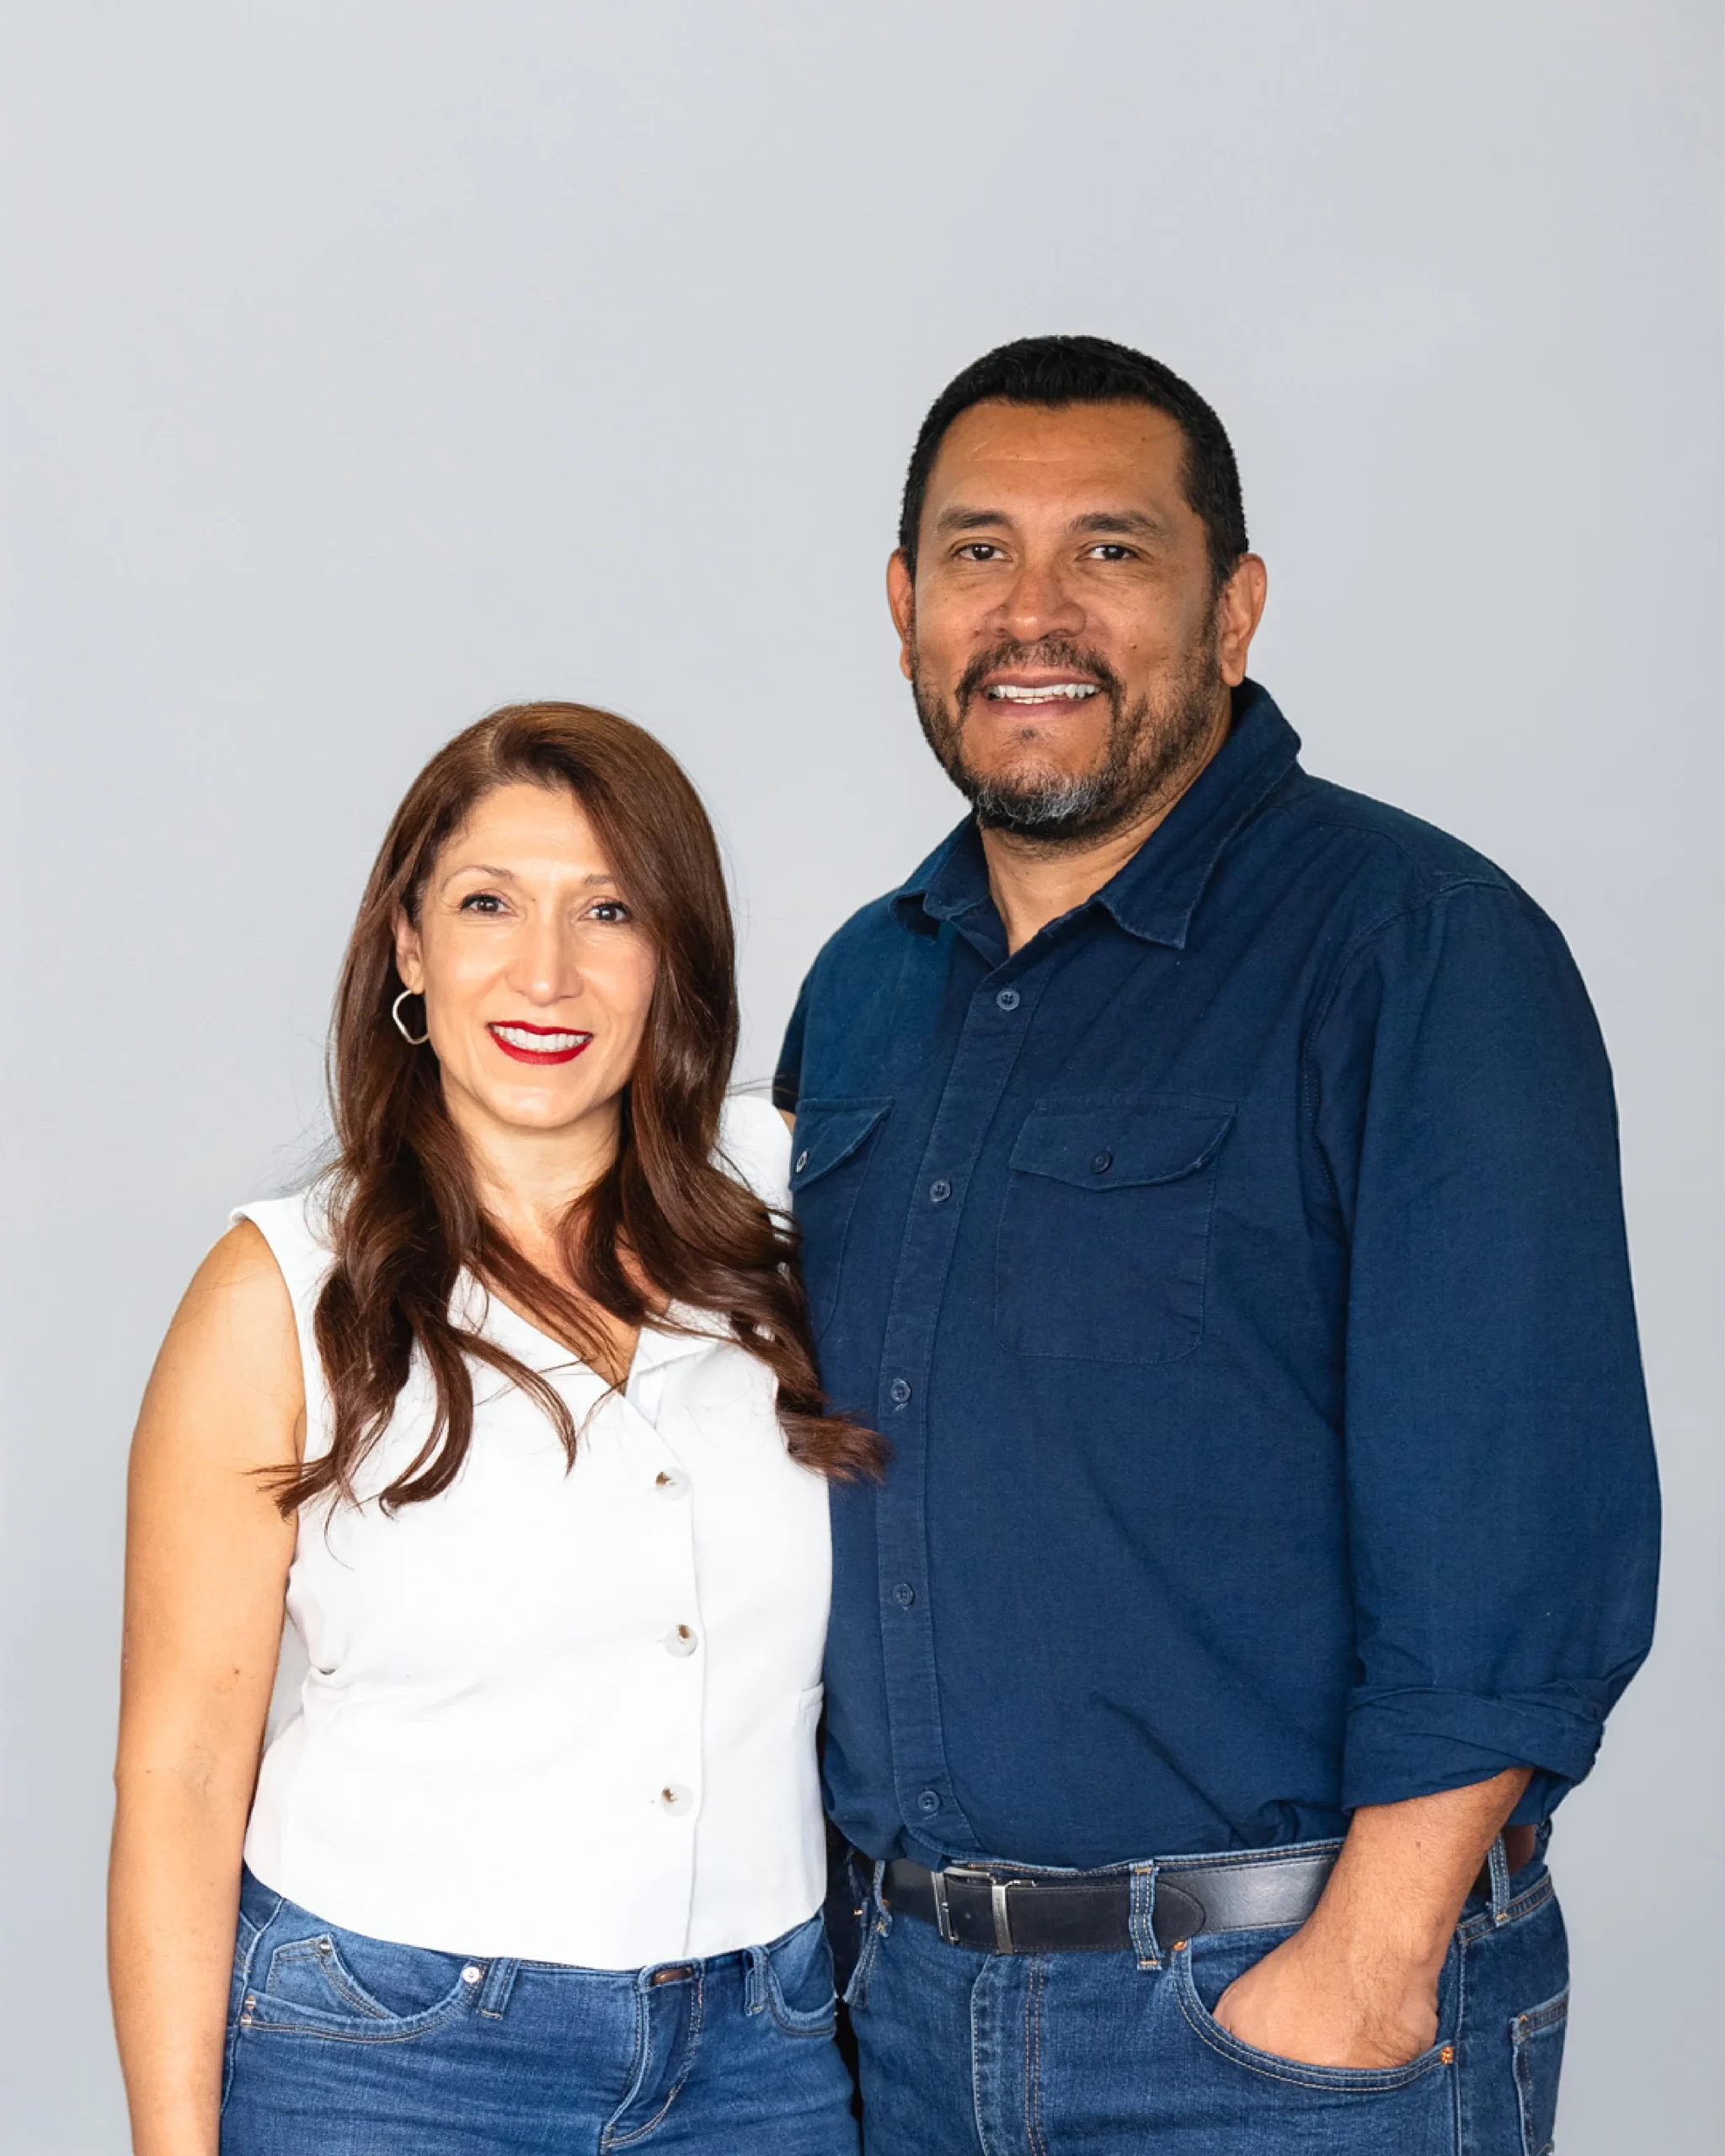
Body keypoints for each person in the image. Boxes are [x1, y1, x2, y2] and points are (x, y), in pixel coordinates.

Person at [775, 335, 1660, 2154]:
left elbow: (1522, 1512)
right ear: (905, 606)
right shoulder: (863, 986)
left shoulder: (1419, 947)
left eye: (1108, 549)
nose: (1033, 612)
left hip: (1268, 2026)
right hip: (899, 2014)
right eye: (978, 552)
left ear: (1233, 608)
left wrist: (1365, 1971)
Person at [109, 702, 875, 2156]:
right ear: (409, 945)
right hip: (385, 2060)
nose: (547, 972)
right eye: (488, 904)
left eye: (609, 910)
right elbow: (182, 1773)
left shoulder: (794, 1212)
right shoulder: (280, 1291)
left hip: (764, 2056)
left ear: (674, 955)